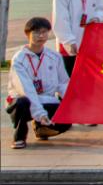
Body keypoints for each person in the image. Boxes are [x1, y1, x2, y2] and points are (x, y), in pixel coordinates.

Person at [6, 18, 72, 149]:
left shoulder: (55, 57)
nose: (41, 36)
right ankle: (19, 135)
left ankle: (41, 129)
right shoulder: (19, 59)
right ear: (27, 34)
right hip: (23, 100)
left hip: (46, 99)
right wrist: (40, 113)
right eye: (36, 32)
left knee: (66, 119)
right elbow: (26, 89)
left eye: (44, 32)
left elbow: (63, 83)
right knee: (22, 103)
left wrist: (72, 104)